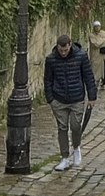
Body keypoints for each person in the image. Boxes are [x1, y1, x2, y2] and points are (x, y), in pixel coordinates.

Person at [42, 34, 98, 170]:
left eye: (65, 50)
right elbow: (47, 80)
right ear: (57, 47)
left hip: (77, 97)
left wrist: (92, 96)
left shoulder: (81, 56)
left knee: (75, 126)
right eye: (61, 51)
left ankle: (76, 147)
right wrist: (50, 99)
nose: (63, 53)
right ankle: (65, 157)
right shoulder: (51, 59)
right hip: (58, 99)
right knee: (62, 128)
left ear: (70, 45)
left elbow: (88, 76)